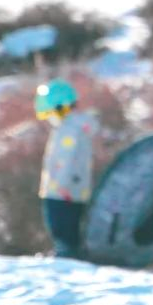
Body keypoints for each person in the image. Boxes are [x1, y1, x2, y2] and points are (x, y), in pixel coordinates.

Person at [35, 78, 98, 259]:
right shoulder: (70, 126)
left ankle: (67, 256)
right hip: (69, 189)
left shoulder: (71, 129)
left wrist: (59, 186)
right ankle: (67, 253)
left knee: (63, 228)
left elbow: (66, 160)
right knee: (67, 229)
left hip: (62, 190)